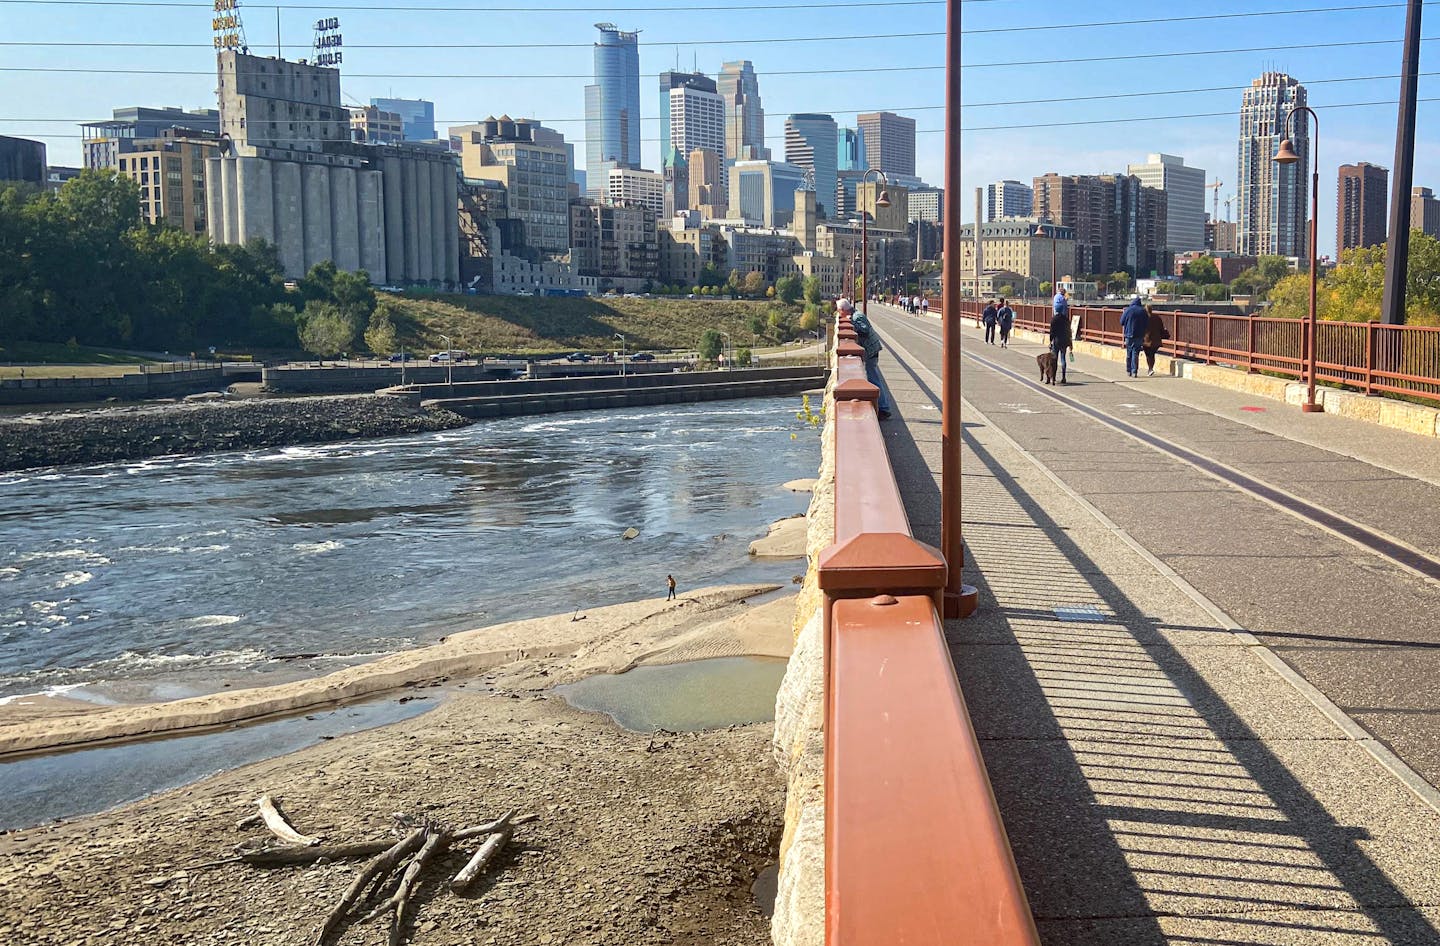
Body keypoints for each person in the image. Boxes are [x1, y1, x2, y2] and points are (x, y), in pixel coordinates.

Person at [843, 298, 894, 420]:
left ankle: (883, 408)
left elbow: (864, 330)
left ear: (844, 310)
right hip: (871, 350)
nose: (839, 314)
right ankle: (882, 406)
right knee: (873, 378)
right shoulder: (856, 314)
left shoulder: (856, 317)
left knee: (874, 379)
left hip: (870, 351)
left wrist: (852, 323)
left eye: (839, 311)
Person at [1120, 296, 1148, 378]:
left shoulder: (1128, 310)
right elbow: (1146, 324)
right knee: (1136, 353)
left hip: (1129, 335)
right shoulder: (1143, 311)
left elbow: (1121, 322)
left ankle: (1129, 370)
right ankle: (1134, 371)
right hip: (1139, 335)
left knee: (1129, 353)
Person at [1049, 292, 1073, 384]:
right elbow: (1069, 331)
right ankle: (1063, 377)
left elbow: (1052, 332)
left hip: (1056, 341)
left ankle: (1053, 377)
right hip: (1064, 341)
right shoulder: (1066, 319)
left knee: (1054, 359)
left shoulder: (1054, 319)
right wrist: (1070, 343)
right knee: (1063, 358)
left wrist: (1050, 341)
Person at [1142, 304, 1170, 377]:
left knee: (1148, 355)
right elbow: (1161, 328)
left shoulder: (1144, 318)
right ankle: (1150, 369)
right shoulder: (1157, 317)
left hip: (1146, 340)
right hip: (1156, 340)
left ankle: (1150, 369)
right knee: (1152, 354)